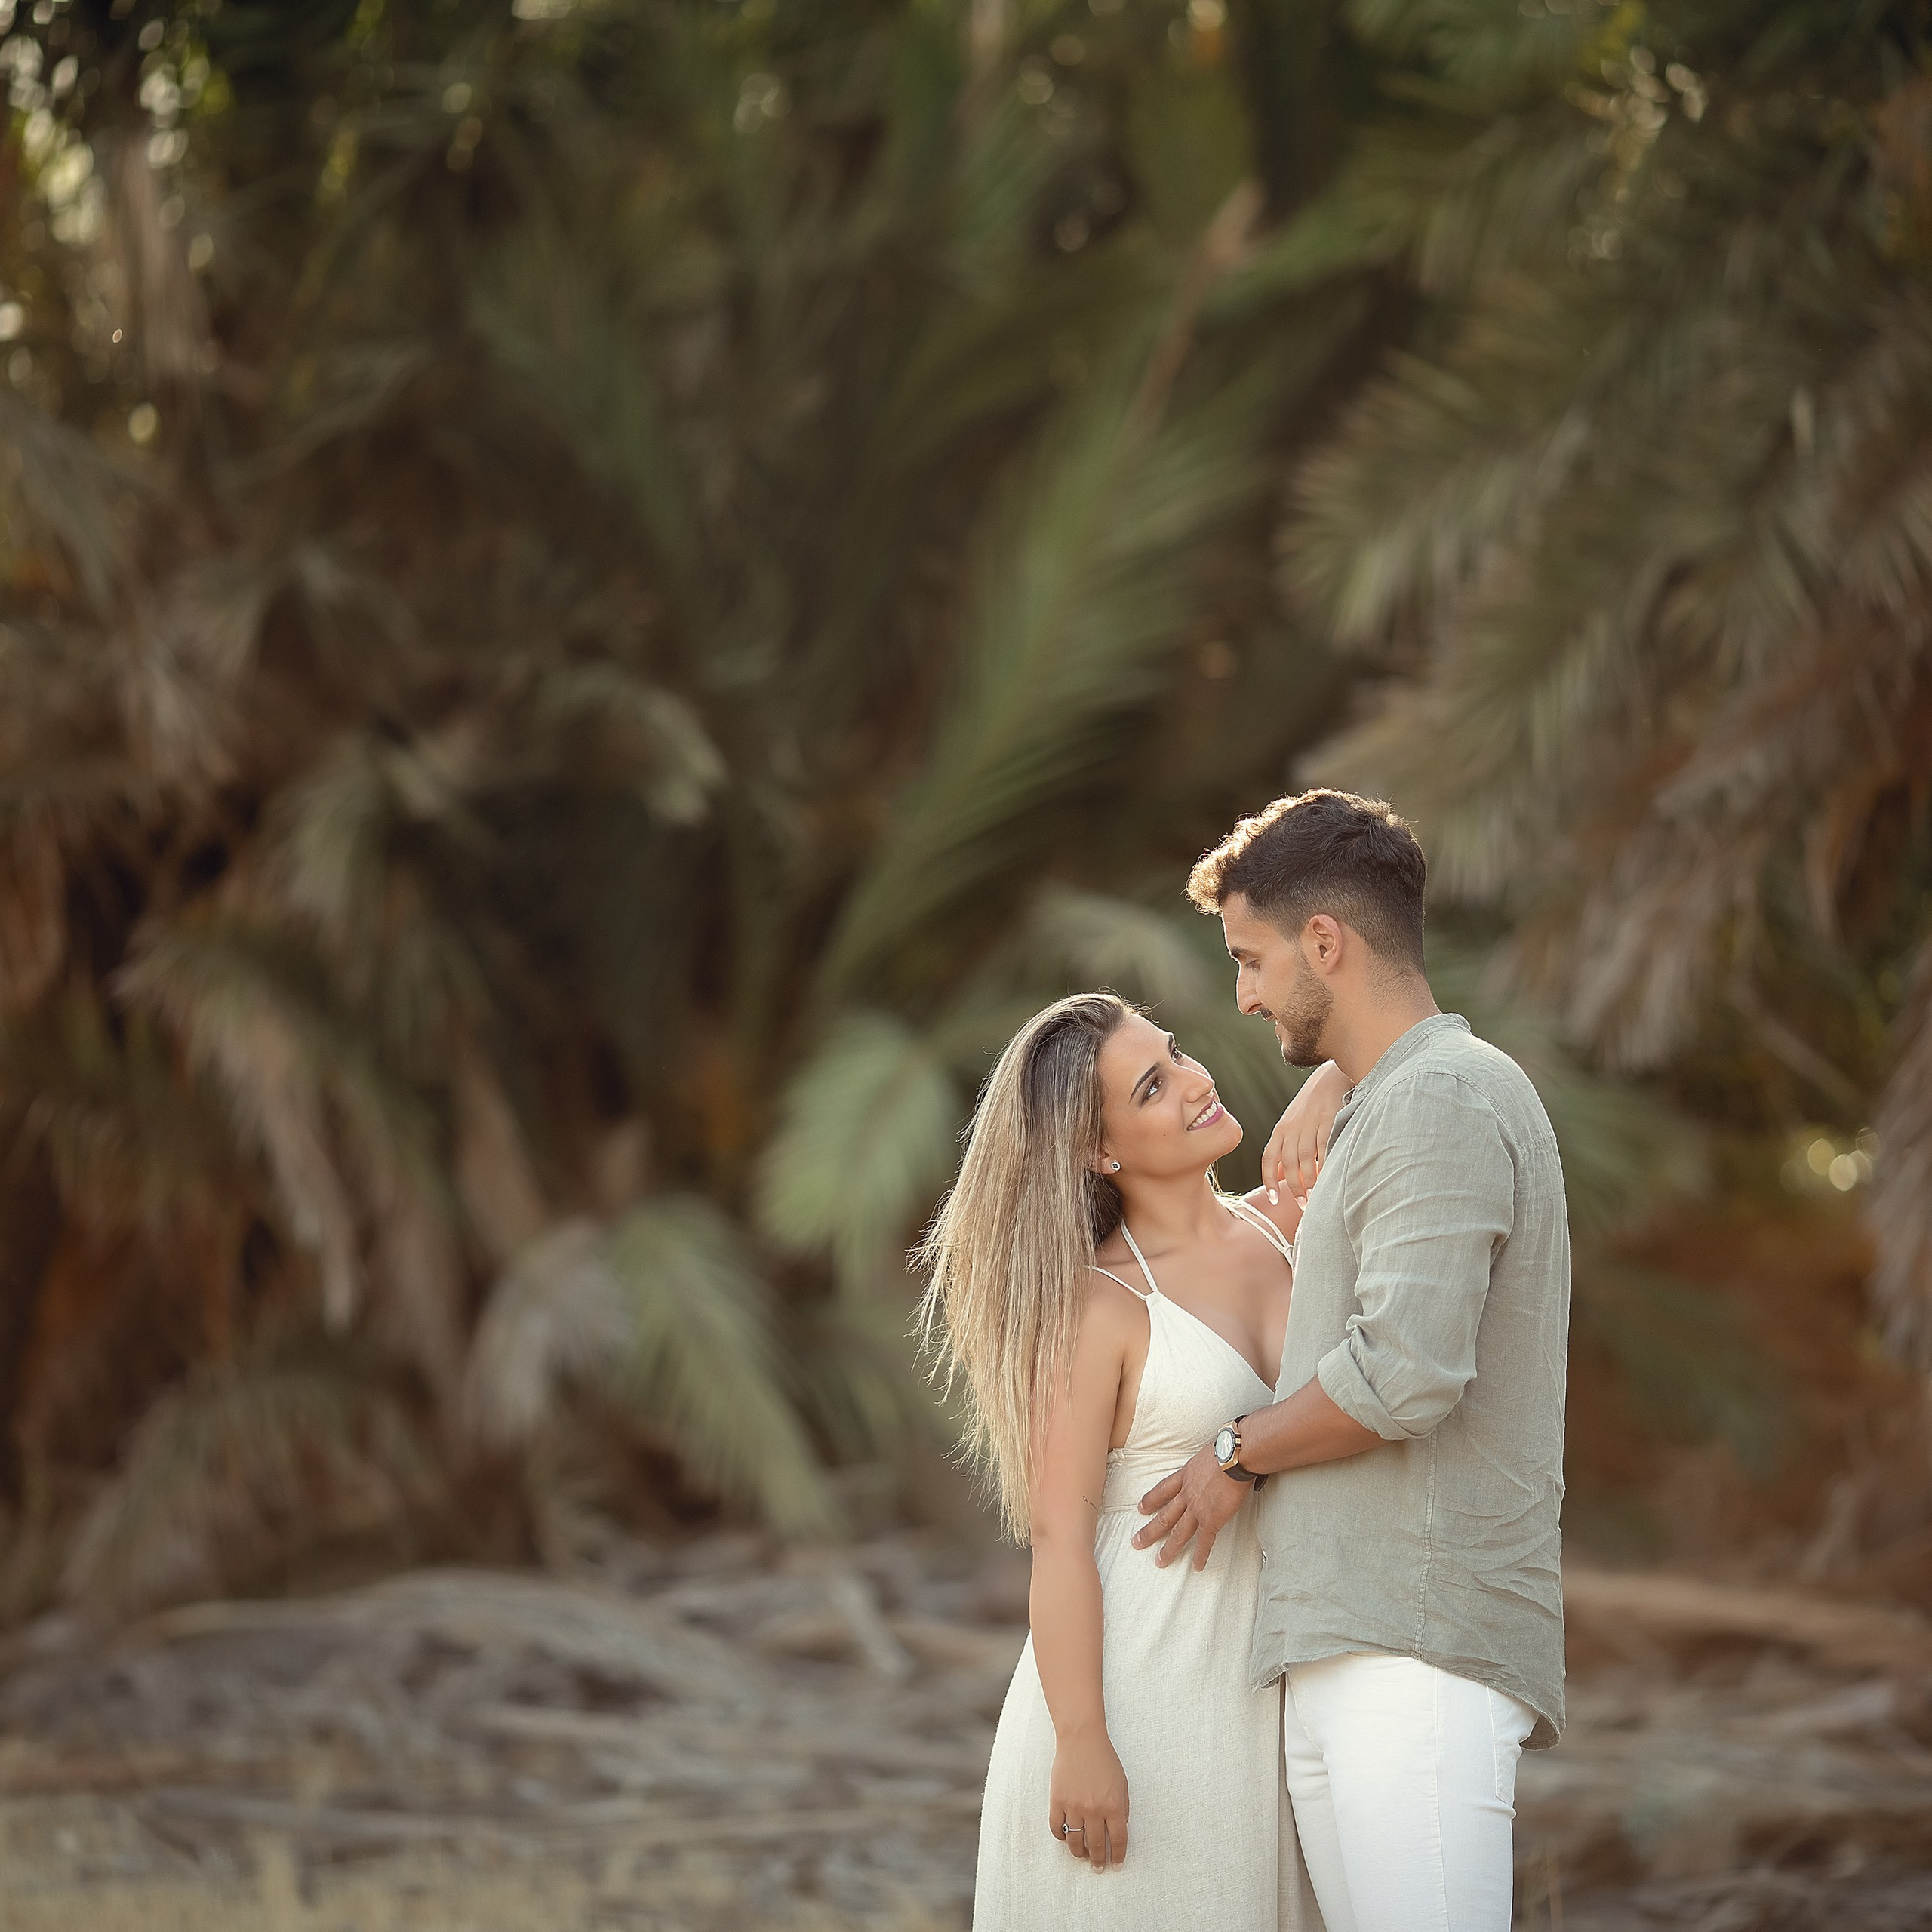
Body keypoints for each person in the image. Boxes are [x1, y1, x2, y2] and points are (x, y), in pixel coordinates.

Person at [1134, 789, 1571, 1932]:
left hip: (1416, 1654)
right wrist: (1343, 1076)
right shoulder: (1405, 1095)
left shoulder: (1441, 1100)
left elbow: (1406, 1375)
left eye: (1253, 959)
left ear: (1325, 940)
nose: (1244, 995)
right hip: (1355, 1643)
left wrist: (1234, 1454)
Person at [917, 992, 1347, 1930]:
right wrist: (1081, 1741)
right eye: (1153, 1086)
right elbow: (1058, 1535)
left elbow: (1416, 1058)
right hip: (1141, 1692)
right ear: (1097, 1149)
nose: (1195, 1081)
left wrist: (1329, 1076)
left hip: (1278, 1682)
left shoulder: (1296, 1220)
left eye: (1178, 1053)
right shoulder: (1096, 1304)